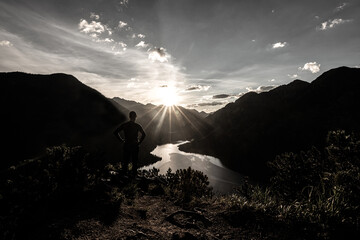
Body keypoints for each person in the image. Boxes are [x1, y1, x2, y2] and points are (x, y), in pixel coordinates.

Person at [113, 111, 146, 175]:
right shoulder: (137, 126)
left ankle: (124, 176)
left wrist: (121, 140)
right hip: (135, 146)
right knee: (134, 162)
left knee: (125, 161)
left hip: (127, 145)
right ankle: (133, 177)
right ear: (135, 117)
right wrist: (139, 142)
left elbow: (115, 132)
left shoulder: (125, 125)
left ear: (129, 117)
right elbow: (144, 135)